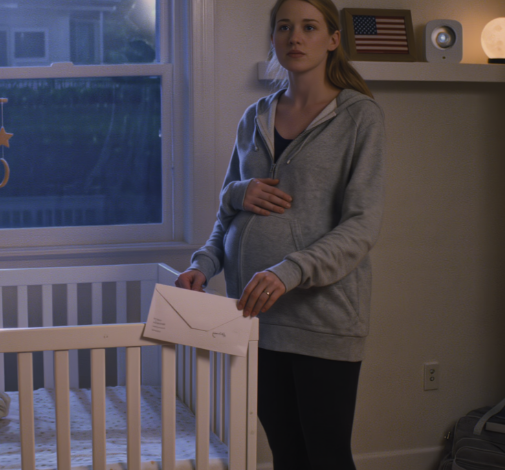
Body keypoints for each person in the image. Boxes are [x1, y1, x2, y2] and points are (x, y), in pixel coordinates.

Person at [175, 0, 385, 468]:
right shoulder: (255, 117)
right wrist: (203, 264)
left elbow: (361, 225)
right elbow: (229, 210)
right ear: (273, 38)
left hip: (321, 321)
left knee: (326, 457)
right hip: (254, 320)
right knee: (287, 455)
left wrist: (288, 271)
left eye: (309, 27)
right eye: (285, 27)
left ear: (332, 39)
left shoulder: (359, 118)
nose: (295, 37)